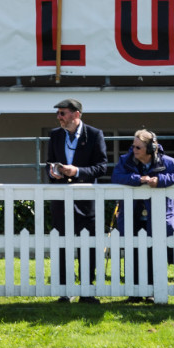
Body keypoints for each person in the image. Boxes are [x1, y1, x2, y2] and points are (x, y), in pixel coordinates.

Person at [46, 98, 109, 302]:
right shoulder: (55, 135)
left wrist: (78, 171)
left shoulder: (94, 134)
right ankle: (65, 290)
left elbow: (102, 167)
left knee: (88, 244)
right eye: (58, 114)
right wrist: (53, 172)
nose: (59, 117)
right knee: (62, 243)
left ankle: (86, 291)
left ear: (76, 115)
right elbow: (48, 163)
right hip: (60, 197)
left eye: (62, 113)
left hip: (86, 199)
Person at [112, 129, 174, 302]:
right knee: (133, 251)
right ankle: (135, 292)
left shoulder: (169, 162)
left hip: (158, 213)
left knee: (155, 252)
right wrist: (139, 179)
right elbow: (116, 176)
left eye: (138, 147)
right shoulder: (125, 160)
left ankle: (153, 291)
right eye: (133, 146)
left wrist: (160, 181)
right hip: (133, 213)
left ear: (150, 148)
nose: (134, 150)